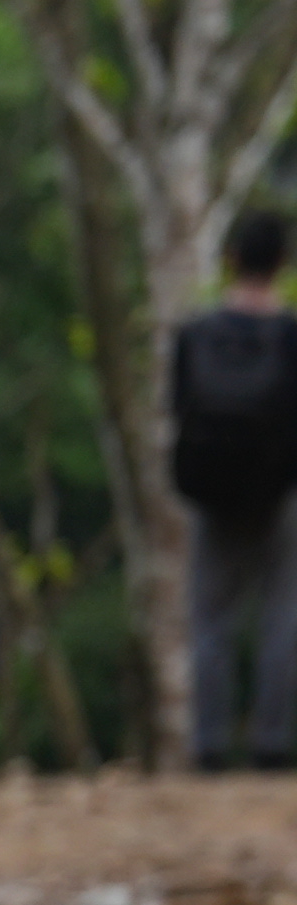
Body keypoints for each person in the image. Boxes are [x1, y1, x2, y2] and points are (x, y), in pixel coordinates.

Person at [169, 207, 297, 772]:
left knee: (210, 622)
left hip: (211, 496)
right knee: (282, 617)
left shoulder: (195, 335)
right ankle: (271, 745)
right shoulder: (290, 336)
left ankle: (210, 746)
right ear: (283, 264)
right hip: (280, 496)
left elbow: (176, 409)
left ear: (231, 260)